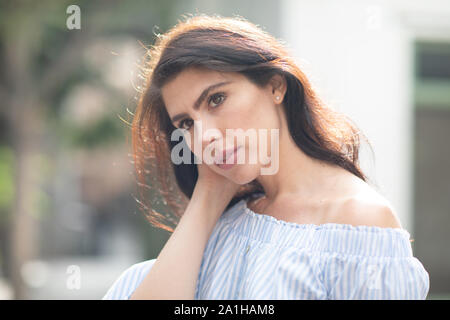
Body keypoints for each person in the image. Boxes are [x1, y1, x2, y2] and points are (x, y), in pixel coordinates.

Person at [102, 14, 430, 300]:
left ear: (275, 86)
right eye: (187, 123)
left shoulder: (359, 221)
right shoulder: (226, 218)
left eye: (216, 99)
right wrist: (207, 195)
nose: (205, 137)